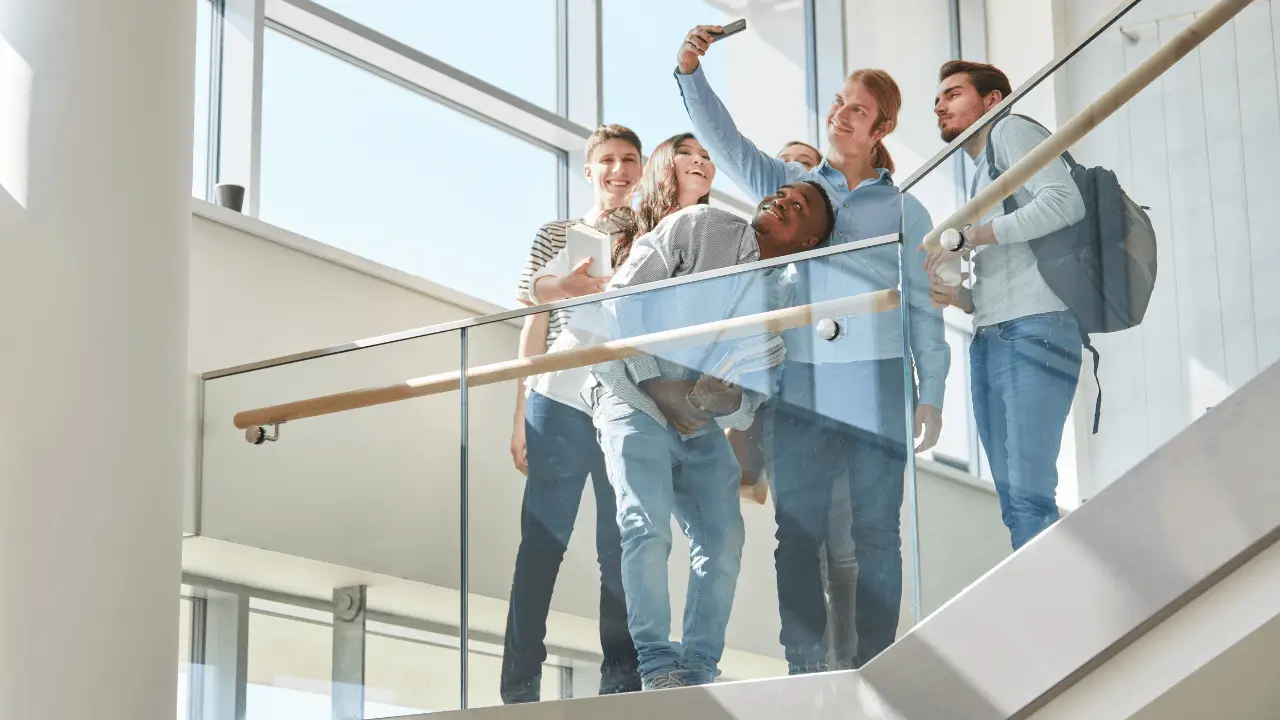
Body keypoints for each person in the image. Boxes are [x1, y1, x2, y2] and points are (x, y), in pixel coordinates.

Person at [675, 26, 950, 672]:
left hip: (879, 381)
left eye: (856, 108)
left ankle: (879, 660)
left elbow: (924, 311)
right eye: (837, 102)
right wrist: (690, 71)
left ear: (881, 128)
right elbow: (727, 143)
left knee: (878, 532)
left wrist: (930, 393)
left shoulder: (905, 211)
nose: (840, 114)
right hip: (802, 382)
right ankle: (804, 662)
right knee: (796, 534)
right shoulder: (798, 184)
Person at [591, 180, 837, 691]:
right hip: (632, 394)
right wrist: (662, 388)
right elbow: (618, 299)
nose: (779, 202)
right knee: (646, 525)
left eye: (798, 207)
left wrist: (727, 402)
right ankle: (657, 667)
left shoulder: (784, 297)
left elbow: (752, 393)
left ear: (809, 242)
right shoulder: (700, 225)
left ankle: (699, 670)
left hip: (697, 422)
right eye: (781, 194)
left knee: (723, 539)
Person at [501, 124, 643, 704]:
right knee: (540, 543)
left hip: (620, 401)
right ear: (589, 170)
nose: (618, 170)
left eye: (629, 160)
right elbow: (533, 324)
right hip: (555, 401)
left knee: (621, 544)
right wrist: (518, 413)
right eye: (607, 160)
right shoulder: (555, 234)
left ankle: (621, 679)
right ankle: (519, 688)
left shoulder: (652, 230)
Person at [927, 61, 1085, 550]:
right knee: (1015, 500)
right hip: (994, 337)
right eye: (938, 100)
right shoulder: (980, 171)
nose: (939, 106)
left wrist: (971, 235)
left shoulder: (1010, 130)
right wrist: (958, 296)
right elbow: (1007, 269)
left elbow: (1064, 202)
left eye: (952, 94)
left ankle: (1052, 613)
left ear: (991, 100)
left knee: (1029, 495)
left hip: (1034, 330)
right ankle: (1045, 605)